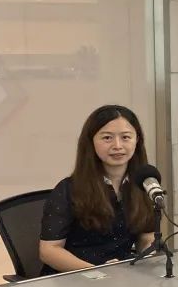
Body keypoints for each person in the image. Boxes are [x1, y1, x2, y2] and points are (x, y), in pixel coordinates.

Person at [39, 105, 156, 272]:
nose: (117, 145)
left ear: (137, 140)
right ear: (91, 141)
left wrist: (147, 257)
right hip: (76, 278)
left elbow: (145, 236)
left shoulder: (143, 183)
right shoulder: (68, 189)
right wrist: (100, 273)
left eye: (125, 137)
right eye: (107, 138)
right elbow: (49, 251)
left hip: (123, 277)